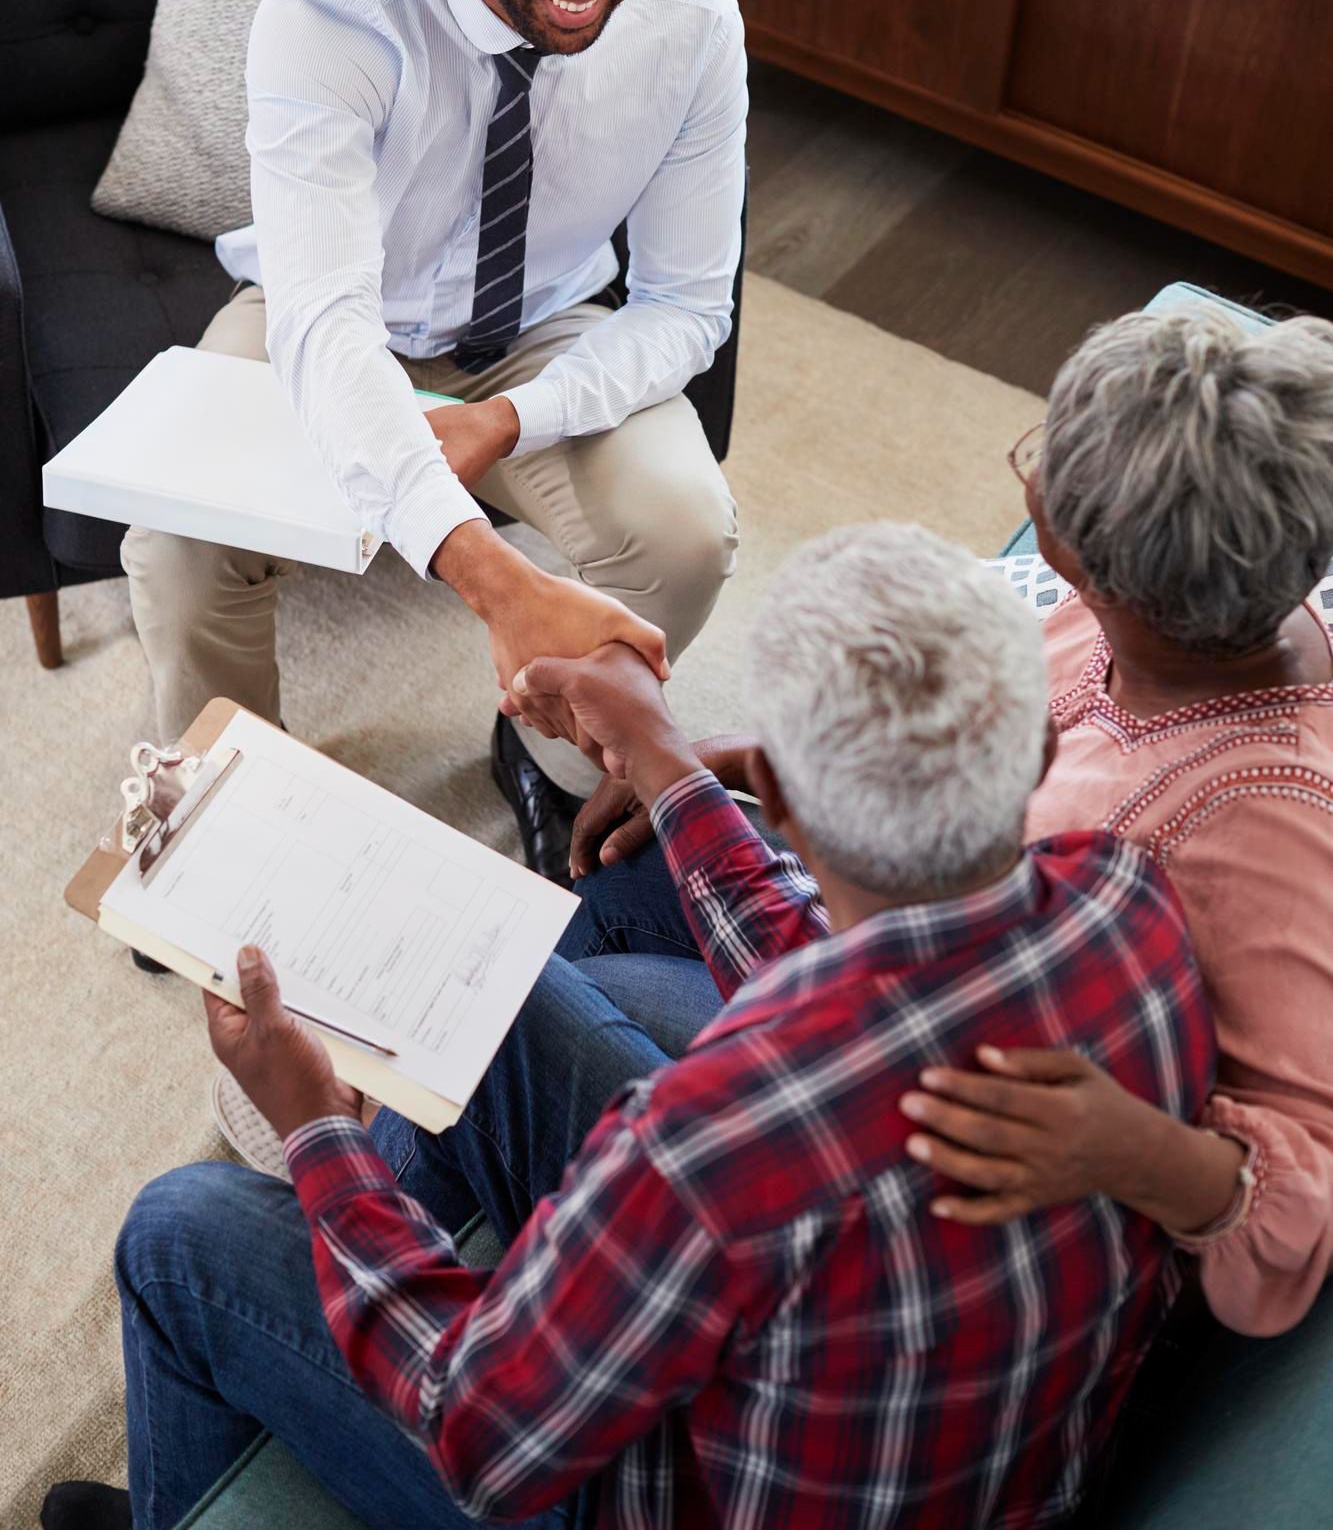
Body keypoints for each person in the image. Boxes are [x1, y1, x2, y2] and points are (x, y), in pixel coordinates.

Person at [44, 524, 1214, 1530]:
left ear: (789, 800)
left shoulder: (704, 1148)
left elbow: (479, 1427)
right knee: (505, 988)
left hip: (660, 1492)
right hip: (959, 1467)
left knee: (179, 1229)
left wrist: (317, 1140)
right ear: (1045, 752)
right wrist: (662, 763)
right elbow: (844, 960)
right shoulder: (1122, 898)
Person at [120, 0, 744, 879]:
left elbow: (685, 306)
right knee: (178, 539)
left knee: (686, 535)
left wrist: (507, 417)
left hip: (545, 330)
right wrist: (492, 576)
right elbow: (327, 323)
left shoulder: (695, 27)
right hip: (339, 314)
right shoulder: (324, 17)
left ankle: (546, 756)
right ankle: (215, 809)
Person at [898, 309, 1333, 1339]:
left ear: (1068, 544)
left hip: (945, 1089)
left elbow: (1303, 1193)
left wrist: (1130, 1146)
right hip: (907, 912)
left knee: (554, 990)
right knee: (635, 852)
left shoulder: (1251, 836)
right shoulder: (1169, 628)